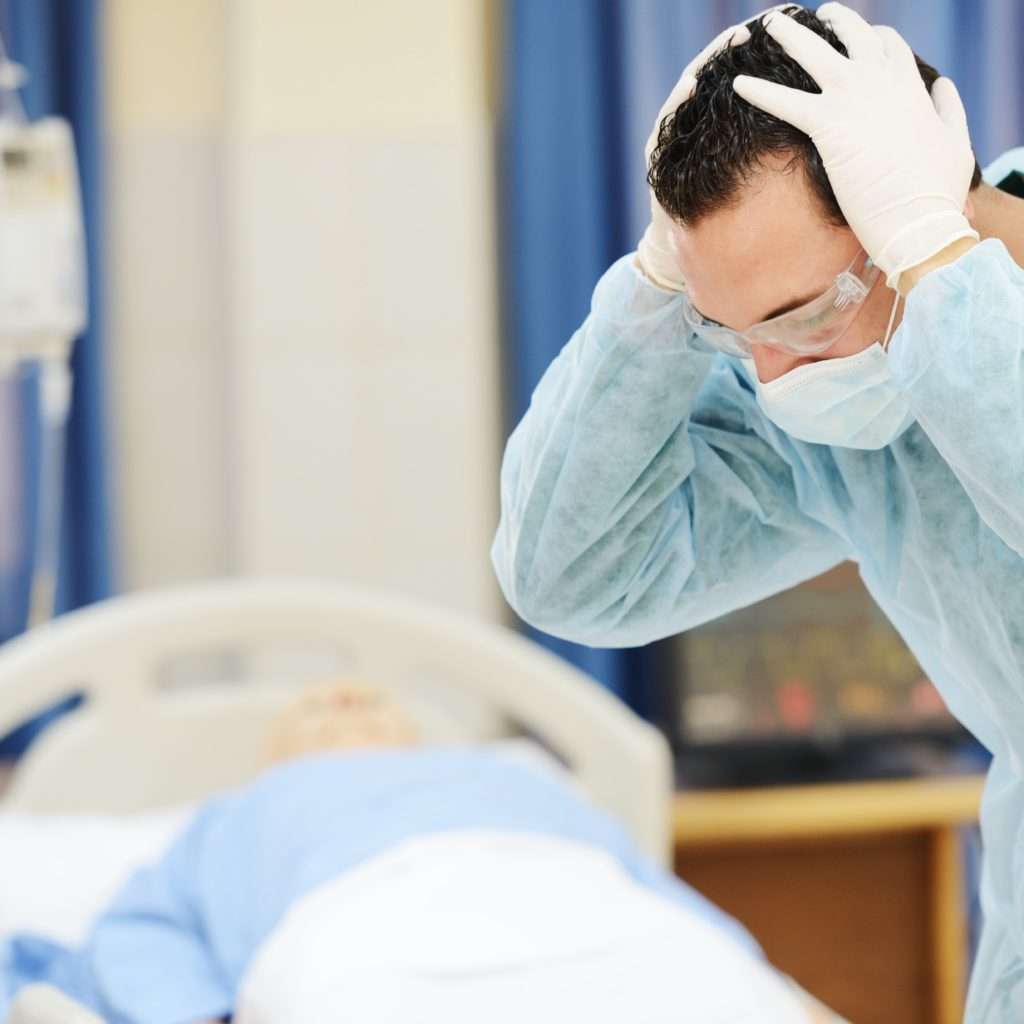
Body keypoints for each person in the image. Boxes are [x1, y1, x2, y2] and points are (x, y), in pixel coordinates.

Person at [491, 4, 1024, 1020]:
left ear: (919, 203)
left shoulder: (933, 292)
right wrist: (659, 293)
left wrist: (933, 261)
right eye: (734, 335)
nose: (773, 377)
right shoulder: (843, 411)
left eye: (802, 315)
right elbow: (570, 575)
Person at [1, 682, 831, 1023]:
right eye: (313, 715)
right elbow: (143, 938)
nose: (343, 701)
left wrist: (741, 964)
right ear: (276, 765)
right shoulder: (236, 817)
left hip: (618, 937)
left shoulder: (519, 782)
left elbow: (645, 887)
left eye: (370, 705)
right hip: (377, 947)